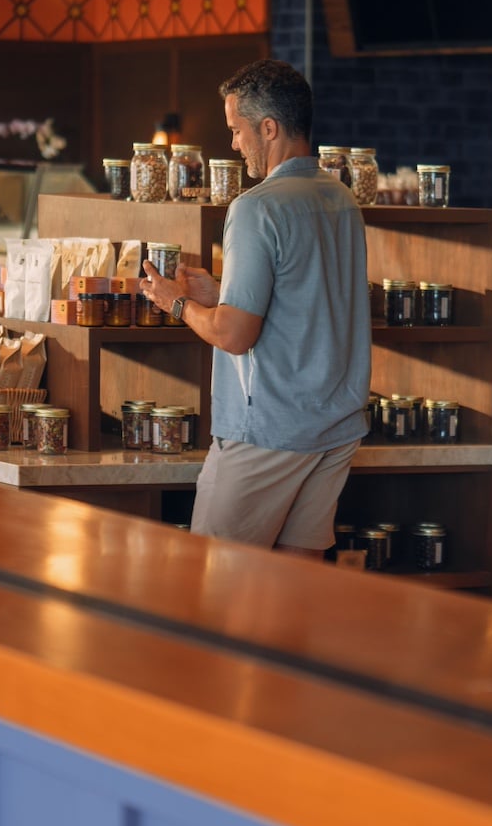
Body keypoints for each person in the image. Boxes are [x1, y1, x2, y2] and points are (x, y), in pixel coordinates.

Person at [140, 59, 371, 560]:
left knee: (217, 587)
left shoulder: (256, 207)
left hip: (269, 428)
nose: (233, 144)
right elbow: (307, 297)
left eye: (236, 130)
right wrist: (220, 293)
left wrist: (174, 302)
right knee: (293, 587)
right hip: (334, 427)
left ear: (269, 128)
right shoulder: (341, 199)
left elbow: (234, 336)